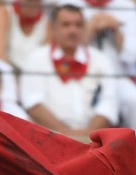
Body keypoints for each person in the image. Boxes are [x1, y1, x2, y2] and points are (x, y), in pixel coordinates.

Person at [20, 4, 118, 139]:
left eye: (78, 25)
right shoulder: (36, 58)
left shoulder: (101, 60)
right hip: (47, 138)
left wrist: (87, 135)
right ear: (53, 28)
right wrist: (67, 134)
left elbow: (109, 104)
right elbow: (33, 104)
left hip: (92, 140)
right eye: (66, 25)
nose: (73, 30)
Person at [78, 0, 136, 136]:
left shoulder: (127, 7)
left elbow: (135, 54)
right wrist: (88, 30)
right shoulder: (70, 3)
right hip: (81, 77)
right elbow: (66, 49)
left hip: (119, 78)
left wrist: (116, 29)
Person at [0, 0, 51, 72]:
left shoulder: (47, 23)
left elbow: (46, 58)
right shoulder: (5, 12)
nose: (31, 3)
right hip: (8, 71)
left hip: (34, 73)